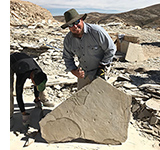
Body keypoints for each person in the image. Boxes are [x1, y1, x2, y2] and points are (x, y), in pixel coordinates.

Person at [61, 8, 116, 90]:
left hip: (100, 71)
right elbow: (67, 57)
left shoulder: (96, 32)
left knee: (100, 98)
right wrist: (74, 71)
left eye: (76, 22)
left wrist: (102, 66)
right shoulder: (68, 39)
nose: (75, 26)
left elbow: (111, 49)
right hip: (83, 73)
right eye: (71, 25)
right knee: (82, 98)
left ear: (82, 20)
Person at [10, 52, 54, 125]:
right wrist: (23, 113)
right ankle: (9, 116)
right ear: (32, 80)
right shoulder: (22, 73)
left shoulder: (39, 71)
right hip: (11, 62)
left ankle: (44, 99)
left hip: (25, 60)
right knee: (9, 90)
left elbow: (37, 85)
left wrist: (37, 99)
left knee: (41, 83)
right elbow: (19, 93)